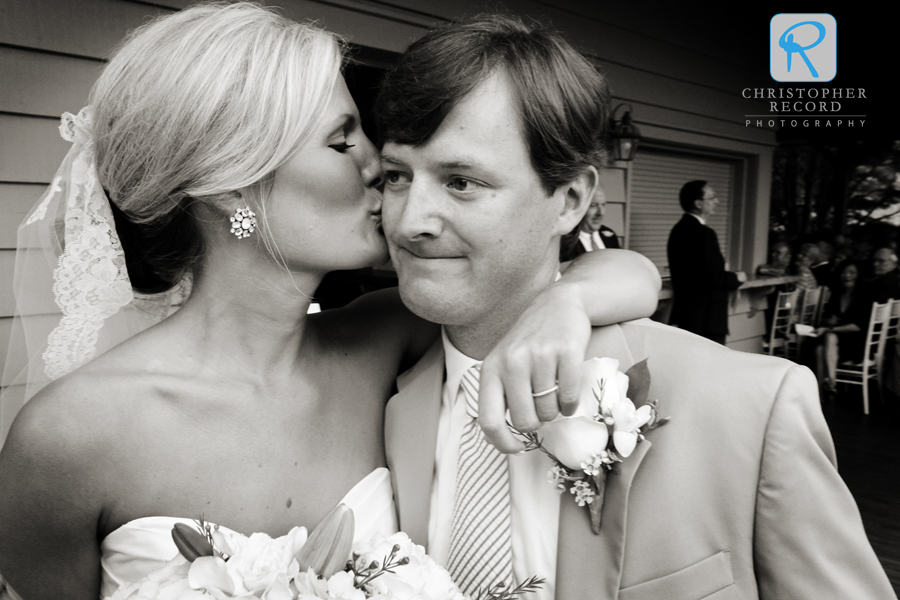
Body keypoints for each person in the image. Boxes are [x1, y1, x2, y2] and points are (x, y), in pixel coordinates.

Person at [0, 5, 663, 599]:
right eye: (343, 138)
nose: (378, 164)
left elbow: (628, 272)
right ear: (232, 189)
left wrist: (566, 303)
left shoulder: (383, 338)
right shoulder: (69, 437)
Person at [376, 14, 895, 600]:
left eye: (462, 181)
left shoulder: (753, 407)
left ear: (570, 199)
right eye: (396, 175)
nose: (409, 220)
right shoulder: (375, 393)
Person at [667, 180, 746, 344]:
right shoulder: (704, 234)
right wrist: (737, 278)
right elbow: (715, 277)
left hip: (685, 315)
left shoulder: (678, 230)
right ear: (698, 204)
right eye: (712, 198)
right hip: (708, 318)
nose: (717, 201)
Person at [813, 260, 870, 395]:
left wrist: (828, 329)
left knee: (828, 338)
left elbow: (857, 326)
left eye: (851, 272)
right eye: (844, 272)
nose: (847, 275)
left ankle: (827, 385)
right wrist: (829, 321)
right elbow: (825, 319)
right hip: (834, 345)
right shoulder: (836, 294)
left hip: (855, 344)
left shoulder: (864, 296)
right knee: (819, 349)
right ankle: (826, 390)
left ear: (858, 275)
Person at [561, 183, 619, 261]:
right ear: (579, 206)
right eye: (593, 205)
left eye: (603, 204)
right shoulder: (566, 242)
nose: (600, 213)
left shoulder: (610, 236)